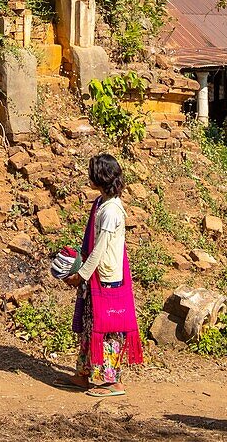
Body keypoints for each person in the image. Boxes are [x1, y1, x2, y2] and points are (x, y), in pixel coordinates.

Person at [63, 153, 143, 397]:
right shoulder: (101, 203)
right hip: (96, 275)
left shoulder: (111, 211)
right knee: (90, 325)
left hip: (106, 277)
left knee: (108, 329)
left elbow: (100, 248)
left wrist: (81, 275)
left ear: (100, 177)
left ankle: (113, 382)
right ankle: (84, 374)